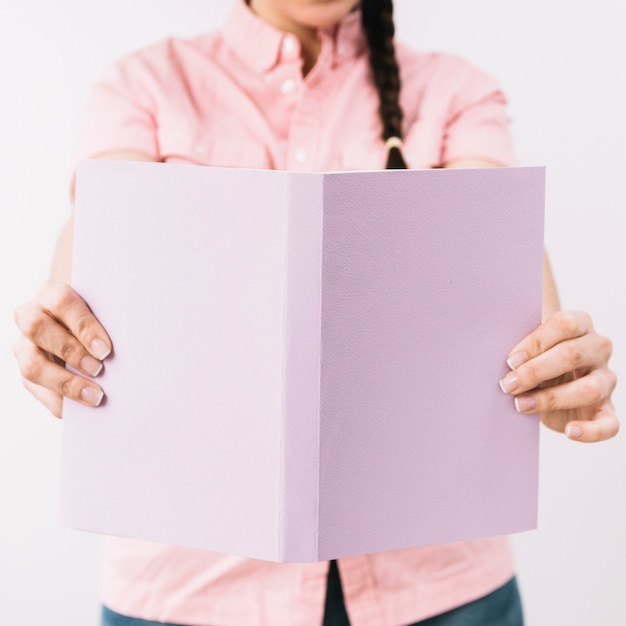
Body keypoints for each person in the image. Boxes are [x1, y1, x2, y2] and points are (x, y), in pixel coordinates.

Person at [13, 0, 618, 625]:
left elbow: (504, 263)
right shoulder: (144, 83)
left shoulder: (456, 91)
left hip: (444, 591)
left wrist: (560, 374)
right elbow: (94, 234)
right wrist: (57, 326)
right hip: (187, 590)